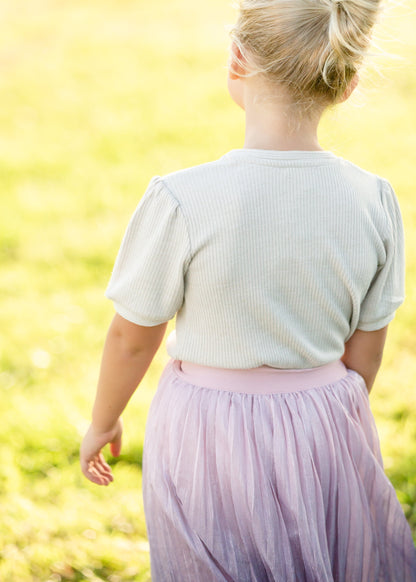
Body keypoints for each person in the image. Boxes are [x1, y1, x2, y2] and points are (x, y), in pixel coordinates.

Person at [80, 0, 416, 579]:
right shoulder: (373, 198)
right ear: (348, 82)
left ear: (237, 58)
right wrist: (324, 413)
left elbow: (133, 337)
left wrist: (104, 420)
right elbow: (367, 346)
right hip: (325, 416)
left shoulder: (181, 198)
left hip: (206, 428)